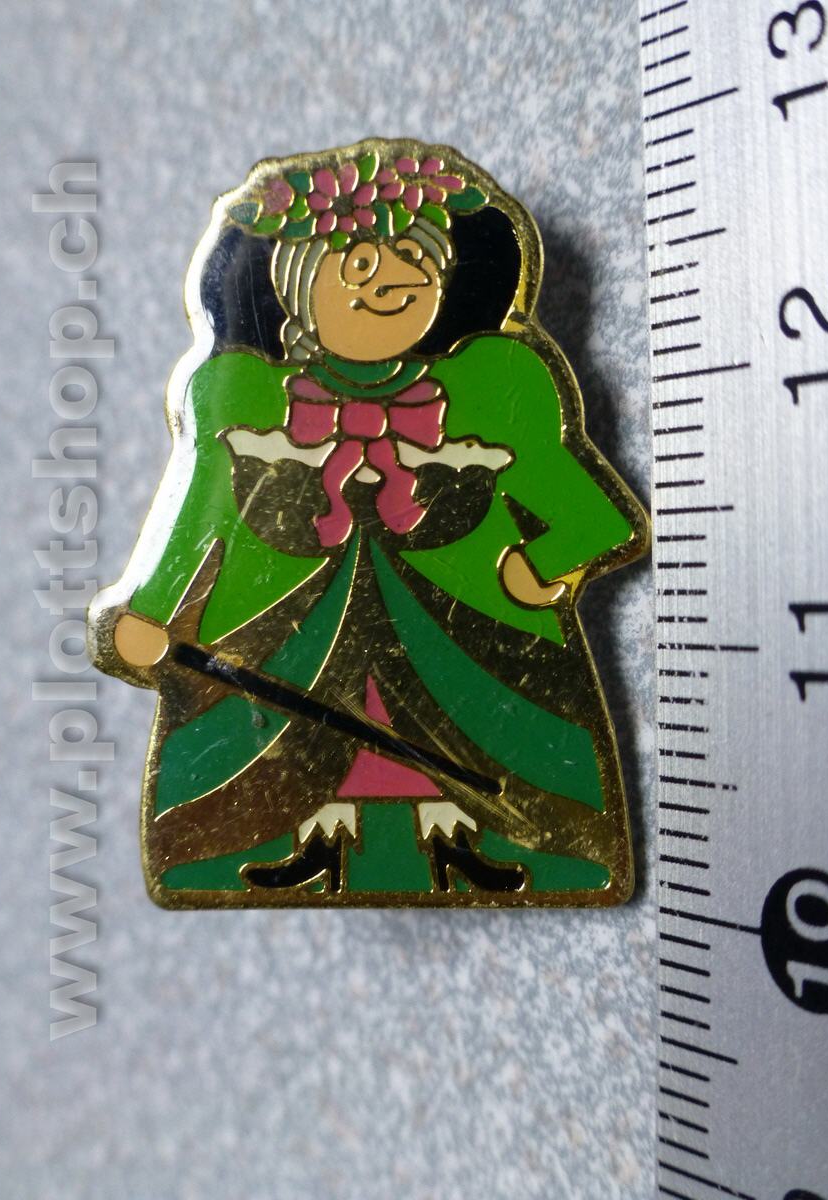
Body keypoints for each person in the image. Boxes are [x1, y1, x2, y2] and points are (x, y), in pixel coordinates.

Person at [88, 140, 649, 906]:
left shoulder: (497, 384)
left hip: (473, 639)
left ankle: (468, 840)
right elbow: (196, 524)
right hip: (285, 645)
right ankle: (312, 840)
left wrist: (542, 566)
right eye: (359, 264)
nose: (396, 280)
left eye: (417, 260)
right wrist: (146, 614)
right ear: (294, 285)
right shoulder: (237, 394)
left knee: (476, 731)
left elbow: (598, 519)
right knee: (283, 736)